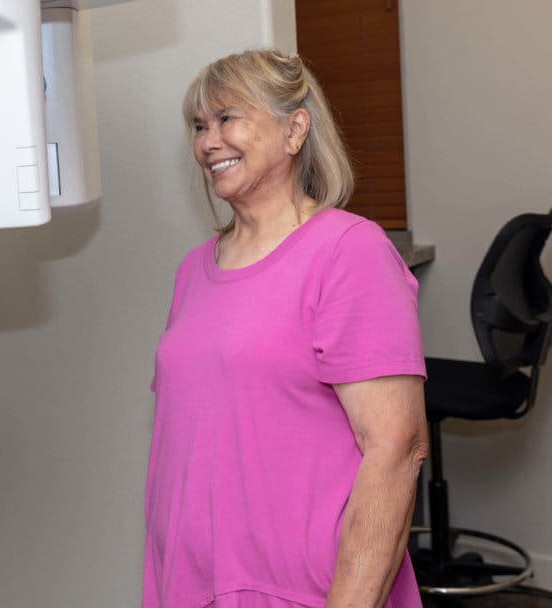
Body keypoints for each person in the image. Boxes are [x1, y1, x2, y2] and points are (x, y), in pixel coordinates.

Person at [144, 50, 428, 608]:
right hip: (192, 584)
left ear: (295, 129)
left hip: (307, 590)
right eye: (199, 126)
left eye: (227, 118)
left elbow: (397, 449)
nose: (208, 141)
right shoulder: (193, 270)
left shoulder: (349, 251)